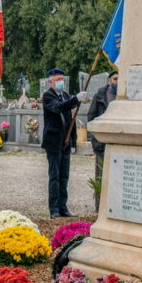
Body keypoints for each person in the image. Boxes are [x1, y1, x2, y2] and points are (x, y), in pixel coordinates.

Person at [42, 68, 88, 219]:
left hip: (66, 142)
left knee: (64, 177)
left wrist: (73, 141)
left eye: (62, 79)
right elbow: (57, 108)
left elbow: (71, 122)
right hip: (54, 141)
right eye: (57, 79)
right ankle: (54, 208)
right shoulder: (48, 95)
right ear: (51, 81)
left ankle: (63, 206)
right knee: (54, 176)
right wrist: (75, 99)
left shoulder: (66, 96)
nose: (60, 82)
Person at [87, 71, 118, 212]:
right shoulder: (101, 94)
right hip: (102, 143)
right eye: (115, 79)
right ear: (109, 80)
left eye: (120, 79)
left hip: (119, 143)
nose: (117, 81)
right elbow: (92, 116)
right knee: (100, 177)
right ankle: (99, 209)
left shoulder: (125, 95)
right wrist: (95, 139)